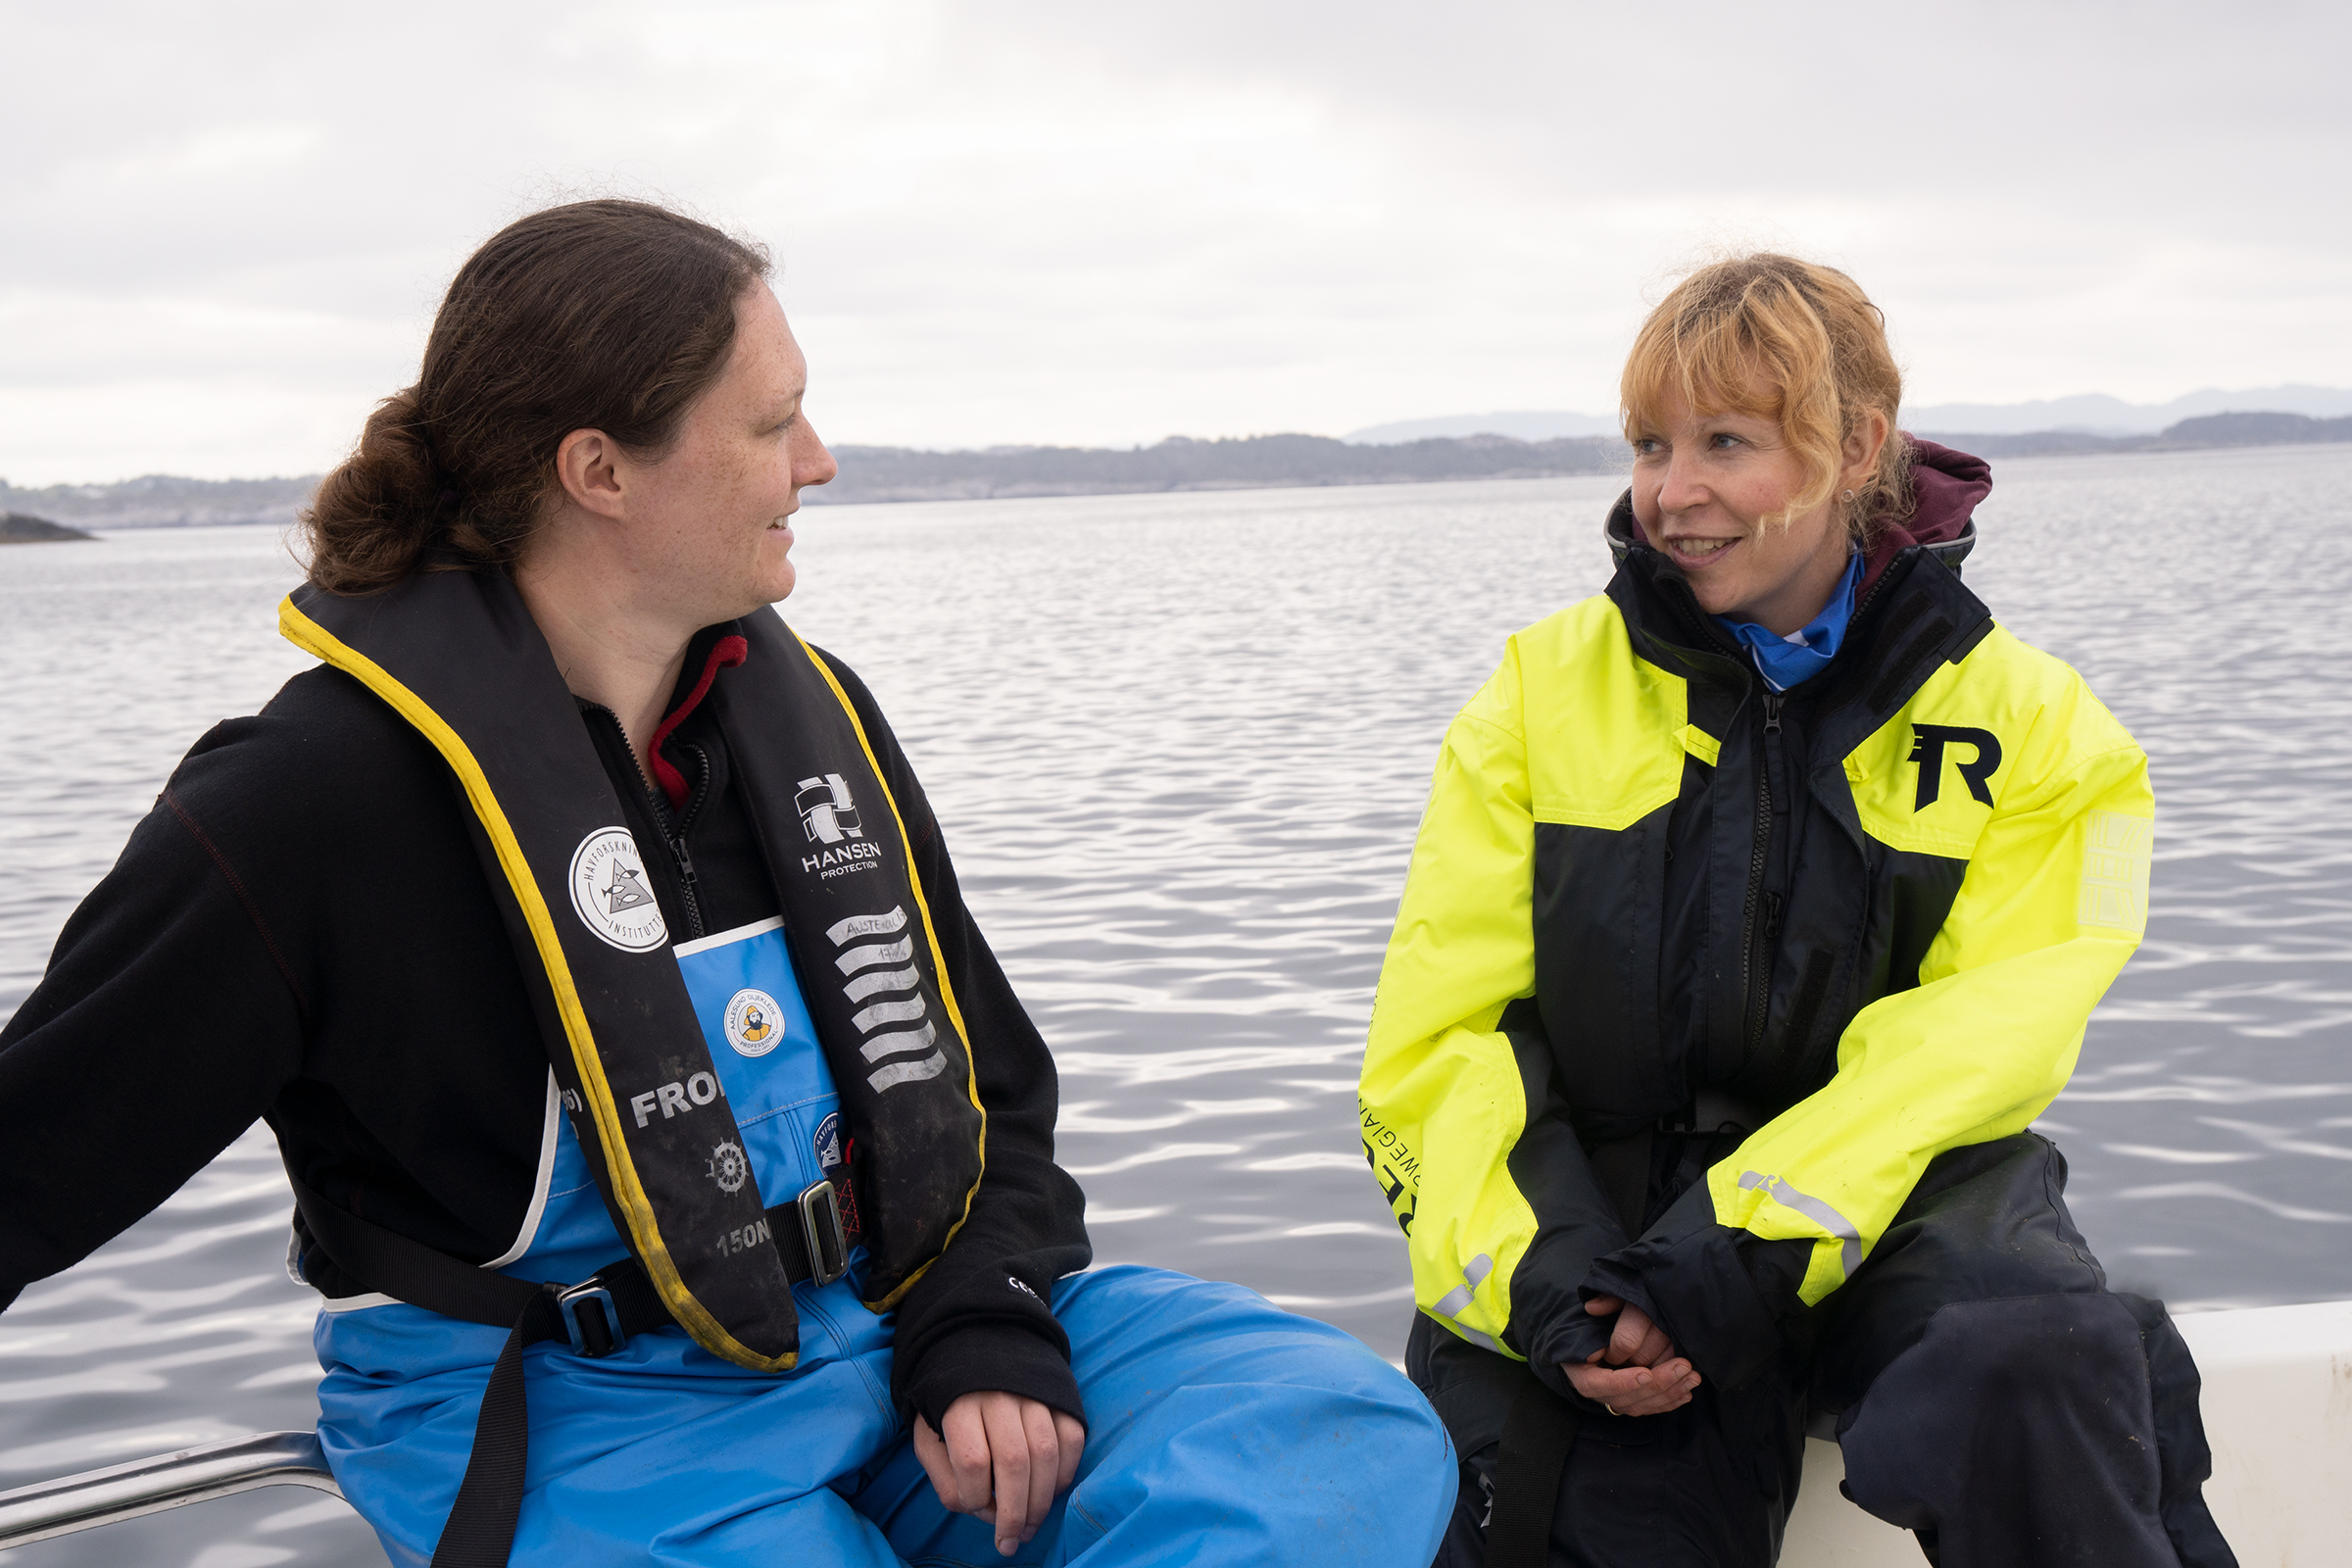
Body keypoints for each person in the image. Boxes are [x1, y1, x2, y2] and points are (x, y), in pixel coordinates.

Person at [0, 199, 1454, 1567]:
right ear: (599, 472)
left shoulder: (812, 728)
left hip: (884, 1330)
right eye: (772, 423)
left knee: (1337, 1436)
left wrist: (984, 1311)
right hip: (567, 1409)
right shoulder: (309, 803)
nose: (817, 461)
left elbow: (989, 1090)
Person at [1357, 254, 2236, 1568]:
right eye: (1652, 444)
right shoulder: (1535, 697)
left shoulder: (2046, 732)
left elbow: (1982, 1040)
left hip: (1896, 1197)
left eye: (1728, 442)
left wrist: (1740, 1252)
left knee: (2042, 1369)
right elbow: (1440, 1042)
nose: (1674, 491)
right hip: (1609, 1223)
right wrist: (1563, 1291)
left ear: (1856, 448)